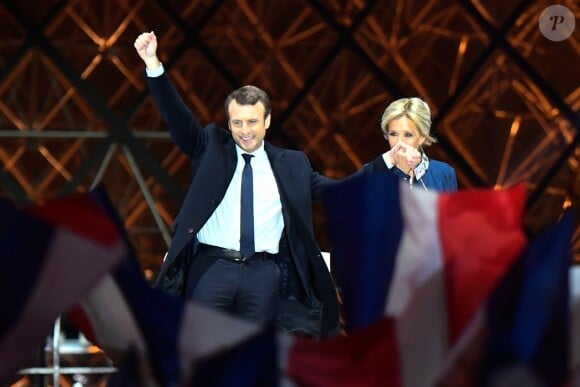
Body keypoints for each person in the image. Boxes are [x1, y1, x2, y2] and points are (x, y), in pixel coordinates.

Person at [134, 31, 339, 338]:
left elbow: (337, 190)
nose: (245, 130)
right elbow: (177, 120)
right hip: (211, 270)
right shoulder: (210, 148)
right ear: (228, 123)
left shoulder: (292, 164)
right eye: (237, 122)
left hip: (264, 276)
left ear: (267, 121)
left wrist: (387, 169)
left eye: (252, 122)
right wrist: (153, 64)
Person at [365, 97, 457, 192]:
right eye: (393, 134)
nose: (400, 142)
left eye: (408, 135)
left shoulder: (444, 173)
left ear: (422, 137)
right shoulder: (371, 173)